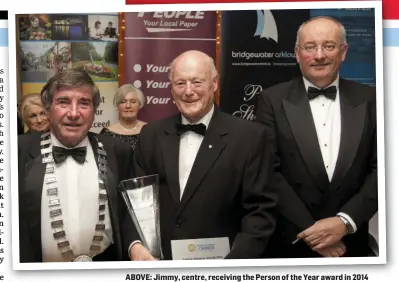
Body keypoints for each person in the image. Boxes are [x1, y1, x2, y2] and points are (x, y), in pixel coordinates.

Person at [130, 50, 277, 261]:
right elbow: (136, 201)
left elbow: (260, 210)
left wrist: (232, 265)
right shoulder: (151, 135)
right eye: (180, 83)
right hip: (159, 264)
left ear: (214, 83)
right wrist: (135, 244)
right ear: (171, 88)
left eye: (197, 82)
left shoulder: (249, 137)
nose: (188, 91)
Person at [256, 16, 377, 258]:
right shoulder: (271, 100)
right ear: (297, 53)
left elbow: (384, 169)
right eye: (310, 47)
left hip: (351, 244)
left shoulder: (372, 99)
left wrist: (344, 222)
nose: (319, 55)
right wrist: (314, 233)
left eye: (329, 46)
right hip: (292, 244)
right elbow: (268, 172)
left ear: (343, 52)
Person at [18, 69, 139, 262]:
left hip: (104, 267)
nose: (74, 113)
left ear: (94, 110)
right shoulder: (17, 152)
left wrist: (136, 246)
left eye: (84, 103)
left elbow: (130, 212)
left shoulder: (118, 151)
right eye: (63, 102)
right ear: (48, 109)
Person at [99, 84, 147, 149]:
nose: (128, 106)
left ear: (139, 104)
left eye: (133, 102)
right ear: (117, 105)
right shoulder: (107, 133)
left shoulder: (149, 131)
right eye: (123, 102)